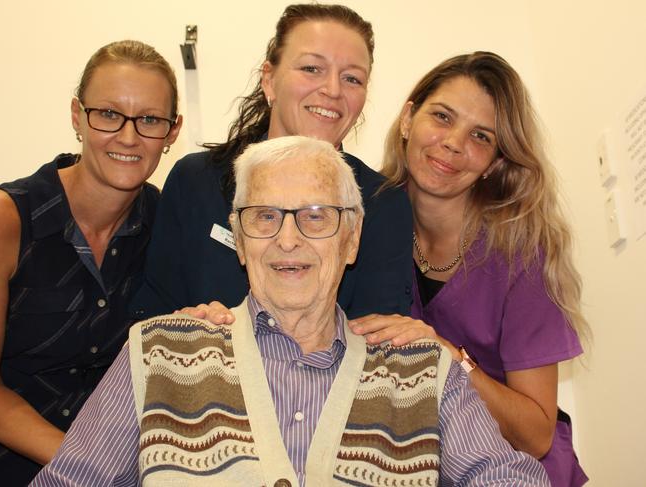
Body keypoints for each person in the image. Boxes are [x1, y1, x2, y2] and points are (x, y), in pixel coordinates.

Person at [33, 136, 549, 486]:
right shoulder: (159, 354)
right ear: (238, 240)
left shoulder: (420, 371)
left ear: (352, 240)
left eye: (316, 216)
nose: (287, 239)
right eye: (263, 216)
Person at [348, 51, 589, 486]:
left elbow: (536, 435)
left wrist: (447, 355)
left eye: (480, 136)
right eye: (441, 117)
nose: (454, 143)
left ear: (495, 162)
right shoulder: (362, 221)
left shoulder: (520, 255)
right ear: (408, 120)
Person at [130, 3, 412, 322]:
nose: (333, 90)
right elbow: (153, 314)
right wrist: (188, 323)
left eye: (352, 78)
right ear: (269, 79)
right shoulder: (195, 182)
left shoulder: (382, 206)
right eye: (311, 69)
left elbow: (377, 341)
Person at [0, 40, 182, 484]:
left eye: (150, 120)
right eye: (109, 114)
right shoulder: (8, 220)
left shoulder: (169, 225)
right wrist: (85, 466)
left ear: (172, 132)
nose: (129, 136)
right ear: (77, 115)